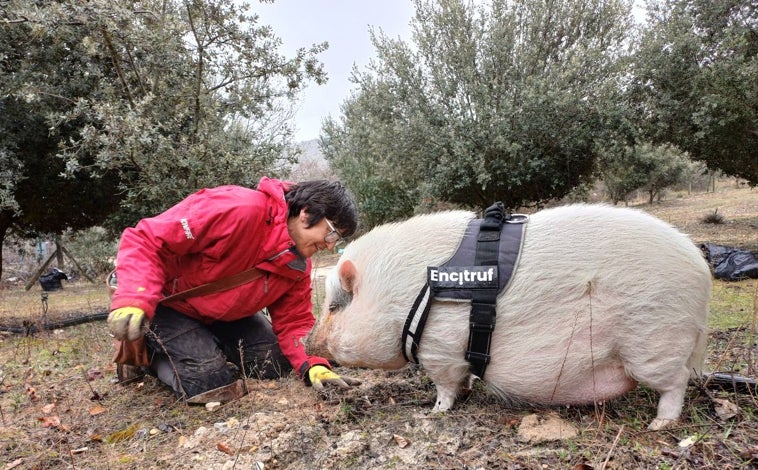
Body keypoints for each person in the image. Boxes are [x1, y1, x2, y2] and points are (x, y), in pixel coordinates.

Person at [107, 176, 361, 401]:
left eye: (337, 239)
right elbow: (146, 239)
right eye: (330, 234)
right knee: (206, 381)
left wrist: (314, 365)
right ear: (306, 213)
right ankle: (147, 356)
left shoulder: (297, 267)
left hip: (226, 315)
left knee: (275, 363)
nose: (330, 246)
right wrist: (134, 297)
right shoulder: (239, 208)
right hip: (168, 304)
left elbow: (295, 321)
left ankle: (204, 344)